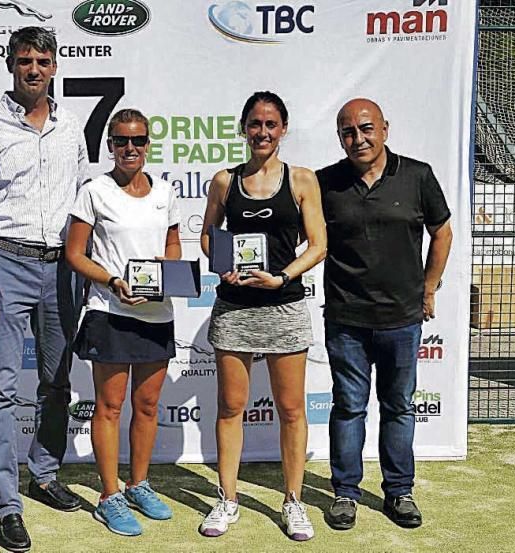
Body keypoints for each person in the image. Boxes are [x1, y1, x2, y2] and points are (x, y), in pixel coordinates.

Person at [0, 26, 87, 553]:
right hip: (4, 263)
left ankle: (45, 475)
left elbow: (82, 202)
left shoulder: (70, 127)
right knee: (1, 389)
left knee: (56, 381)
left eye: (43, 61)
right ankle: (7, 505)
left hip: (61, 269)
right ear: (10, 65)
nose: (34, 69)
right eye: (25, 60)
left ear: (55, 67)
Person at [316, 98, 453, 531]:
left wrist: (429, 288)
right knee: (349, 407)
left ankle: (399, 492)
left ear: (385, 129)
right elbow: (296, 231)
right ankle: (344, 494)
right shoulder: (325, 183)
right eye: (348, 132)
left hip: (401, 319)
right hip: (346, 318)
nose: (358, 139)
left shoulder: (418, 176)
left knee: (398, 407)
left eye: (366, 129)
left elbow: (442, 231)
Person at [198, 91, 326, 541]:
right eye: (255, 124)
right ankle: (227, 499)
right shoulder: (223, 182)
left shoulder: (302, 180)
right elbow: (209, 238)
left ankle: (294, 501)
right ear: (244, 128)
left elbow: (318, 244)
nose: (263, 132)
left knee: (291, 410)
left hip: (285, 307)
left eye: (271, 124)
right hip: (234, 311)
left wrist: (283, 276)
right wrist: (225, 267)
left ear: (283, 129)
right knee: (231, 408)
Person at [65, 108, 182, 537]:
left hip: (156, 313)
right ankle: (109, 495)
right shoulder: (94, 191)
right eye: (120, 141)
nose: (129, 148)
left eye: (137, 141)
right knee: (110, 408)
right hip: (109, 311)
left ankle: (139, 484)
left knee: (148, 406)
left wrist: (166, 269)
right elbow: (75, 254)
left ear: (148, 144)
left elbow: (173, 244)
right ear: (110, 146)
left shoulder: (165, 192)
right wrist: (113, 281)